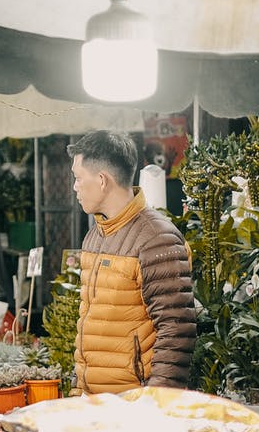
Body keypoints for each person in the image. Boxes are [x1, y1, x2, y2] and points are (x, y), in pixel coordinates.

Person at [68, 130, 195, 394]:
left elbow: (176, 331)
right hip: (95, 404)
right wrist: (78, 392)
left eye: (78, 178)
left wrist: (155, 403)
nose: (74, 186)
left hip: (134, 406)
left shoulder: (157, 239)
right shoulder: (94, 235)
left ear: (102, 180)